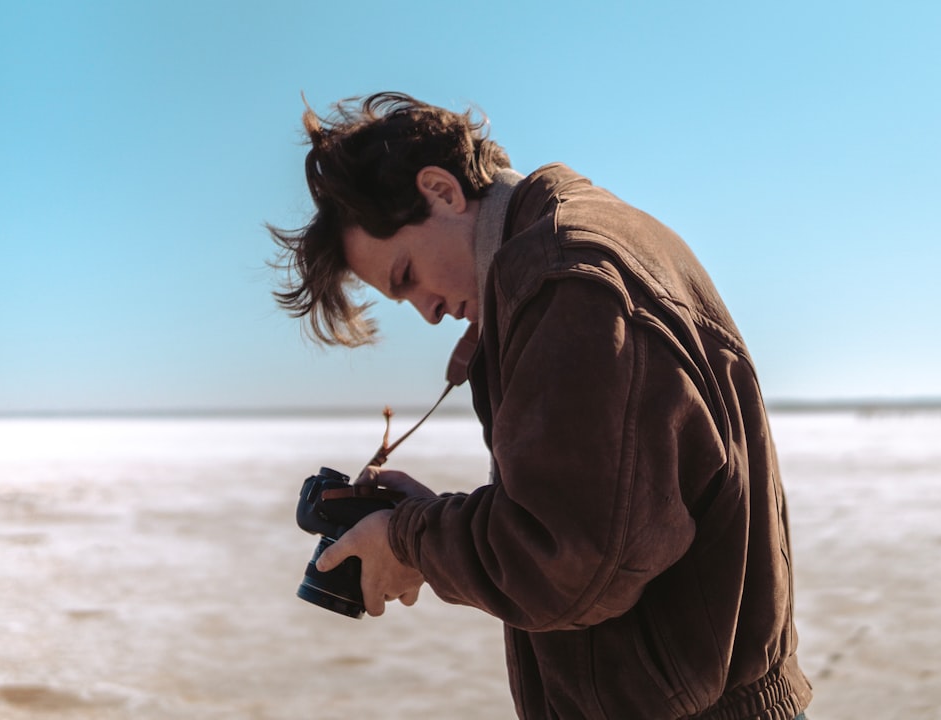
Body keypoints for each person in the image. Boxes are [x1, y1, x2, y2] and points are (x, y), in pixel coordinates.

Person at [270, 92, 812, 720]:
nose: (428, 310)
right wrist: (428, 521)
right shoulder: (581, 243)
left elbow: (568, 564)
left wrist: (408, 540)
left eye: (408, 275)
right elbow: (590, 521)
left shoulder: (567, 279)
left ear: (441, 191)